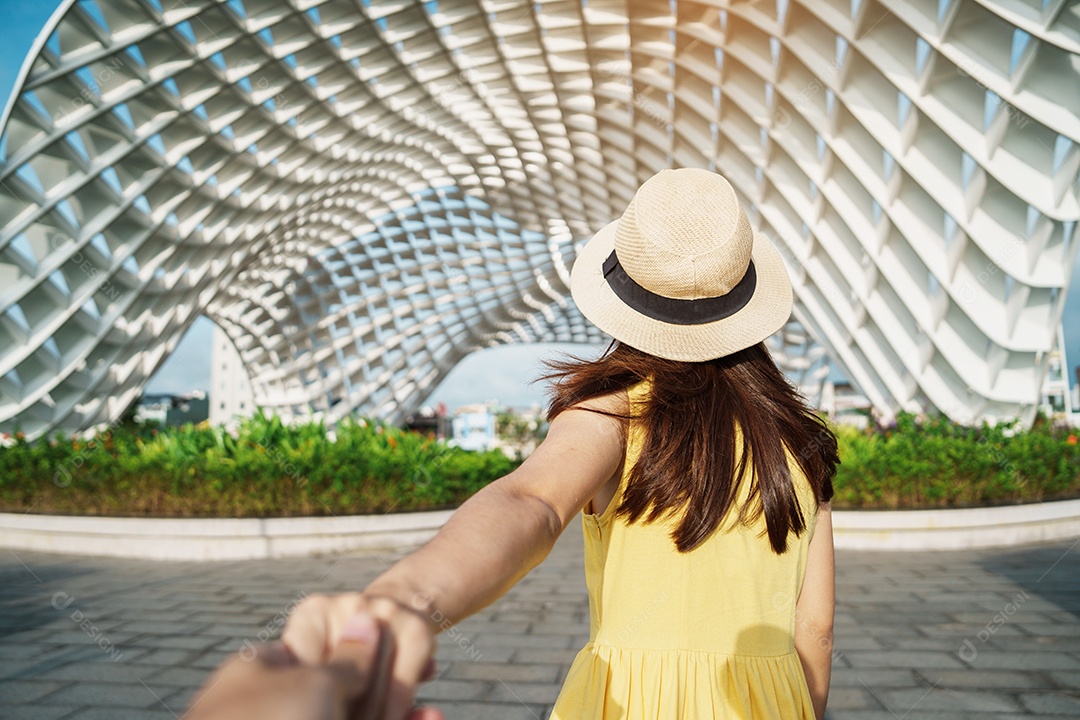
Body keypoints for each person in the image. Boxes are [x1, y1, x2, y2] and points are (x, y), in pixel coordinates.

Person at [279, 167, 840, 719]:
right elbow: (816, 628)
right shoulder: (800, 440)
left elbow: (534, 503)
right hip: (772, 701)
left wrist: (400, 599)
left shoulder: (615, 412)